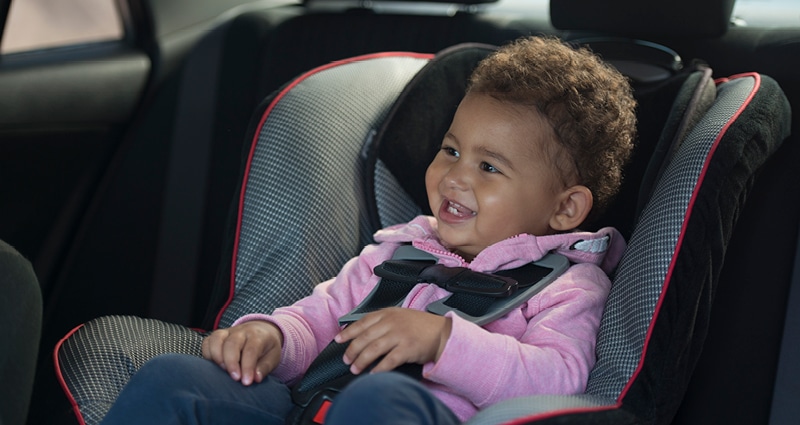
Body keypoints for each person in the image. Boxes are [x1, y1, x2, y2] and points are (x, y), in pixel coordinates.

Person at [100, 35, 637, 425]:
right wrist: (272, 336)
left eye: (489, 167)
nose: (454, 176)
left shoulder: (567, 285)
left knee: (375, 403)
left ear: (566, 209)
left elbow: (560, 380)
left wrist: (442, 341)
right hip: (310, 406)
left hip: (417, 416)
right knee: (173, 379)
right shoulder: (399, 250)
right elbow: (321, 317)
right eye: (451, 150)